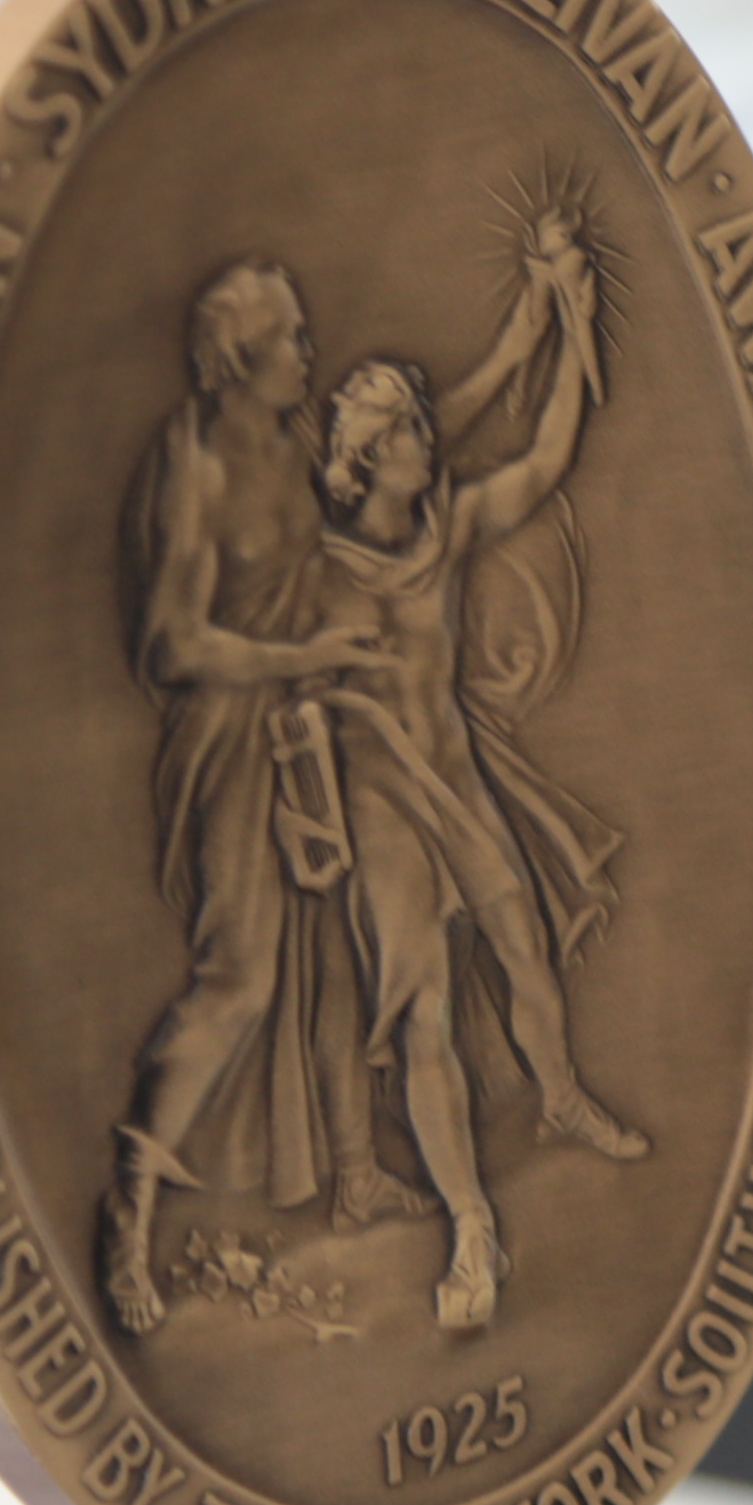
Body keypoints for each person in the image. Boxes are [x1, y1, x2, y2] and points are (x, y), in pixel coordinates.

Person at [299, 196, 644, 1335]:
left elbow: (546, 454)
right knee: (427, 1019)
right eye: (403, 434)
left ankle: (561, 1099)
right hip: (383, 808)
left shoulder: (444, 531)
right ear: (367, 455)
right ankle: (472, 1231)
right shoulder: (325, 570)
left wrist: (564, 312)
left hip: (462, 786)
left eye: (417, 428)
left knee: (527, 950)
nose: (424, 443)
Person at [99, 257, 393, 1333]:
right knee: (239, 979)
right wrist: (300, 653)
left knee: (366, 944)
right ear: (236, 361)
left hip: (319, 723)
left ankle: (353, 1179)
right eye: (292, 344)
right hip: (231, 737)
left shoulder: (298, 435)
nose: (310, 356)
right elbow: (173, 642)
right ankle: (130, 1215)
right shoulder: (194, 470)